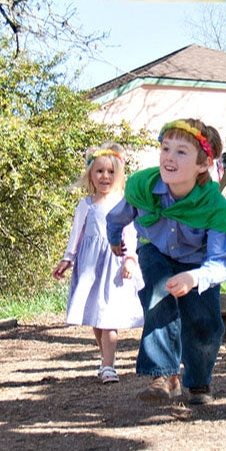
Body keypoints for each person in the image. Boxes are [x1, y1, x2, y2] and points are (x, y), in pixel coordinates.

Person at [106, 119, 226, 404]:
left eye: (181, 152)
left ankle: (199, 381)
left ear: (203, 164)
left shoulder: (215, 208)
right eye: (165, 148)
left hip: (199, 264)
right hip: (155, 250)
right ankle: (163, 375)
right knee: (158, 297)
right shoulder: (144, 187)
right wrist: (115, 239)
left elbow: (220, 263)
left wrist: (194, 278)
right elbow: (117, 216)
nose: (169, 157)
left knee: (204, 321)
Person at [52, 143, 143, 383]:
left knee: (109, 316)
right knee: (96, 316)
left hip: (115, 265)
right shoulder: (86, 205)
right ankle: (105, 359)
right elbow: (76, 235)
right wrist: (67, 259)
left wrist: (130, 259)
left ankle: (109, 366)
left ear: (119, 175)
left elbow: (130, 234)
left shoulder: (123, 204)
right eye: (99, 171)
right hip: (91, 267)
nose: (105, 176)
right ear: (91, 175)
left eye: (111, 172)